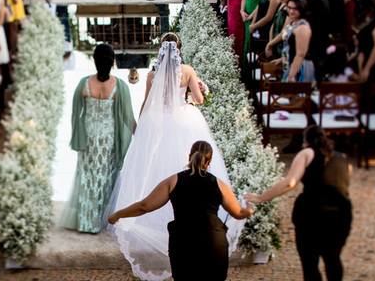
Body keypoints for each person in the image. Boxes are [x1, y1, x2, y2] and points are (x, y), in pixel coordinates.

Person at [107, 36, 245, 280]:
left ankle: (163, 205)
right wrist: (198, 93)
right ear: (179, 51)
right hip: (183, 119)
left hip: (158, 120)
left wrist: (142, 130)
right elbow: (199, 100)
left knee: (156, 165)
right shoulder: (188, 71)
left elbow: (148, 103)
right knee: (182, 156)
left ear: (160, 52)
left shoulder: (151, 76)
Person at [109, 140, 253, 281]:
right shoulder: (219, 184)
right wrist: (250, 209)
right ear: (209, 162)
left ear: (189, 157)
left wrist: (117, 214)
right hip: (214, 242)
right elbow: (239, 213)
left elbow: (144, 206)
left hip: (184, 243)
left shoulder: (173, 181)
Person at [247, 125, 353, 281]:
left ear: (306, 141)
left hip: (313, 214)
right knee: (333, 258)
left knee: (310, 263)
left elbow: (290, 182)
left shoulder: (307, 153)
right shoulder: (342, 158)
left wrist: (261, 197)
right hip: (341, 215)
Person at [63, 44, 135, 233]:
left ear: (94, 61)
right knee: (105, 179)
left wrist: (78, 136)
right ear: (113, 62)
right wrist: (142, 133)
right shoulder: (119, 86)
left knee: (87, 179)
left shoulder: (84, 83)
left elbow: (75, 115)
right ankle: (103, 220)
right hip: (107, 141)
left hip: (87, 139)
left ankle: (86, 222)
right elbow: (128, 118)